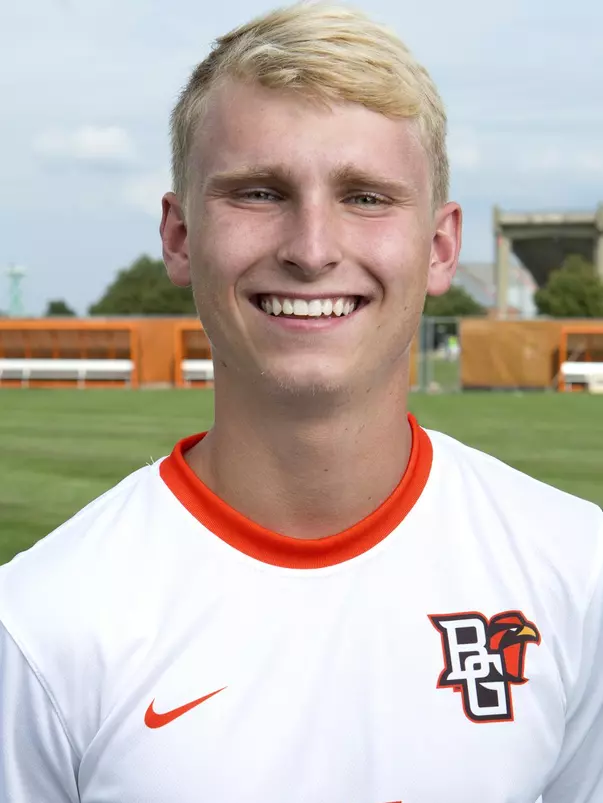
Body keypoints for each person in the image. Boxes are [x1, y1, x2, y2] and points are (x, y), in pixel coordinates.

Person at [0, 3, 601, 801]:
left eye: (365, 197)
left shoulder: (578, 571)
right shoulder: (38, 627)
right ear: (180, 237)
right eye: (257, 192)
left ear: (439, 246)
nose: (312, 249)